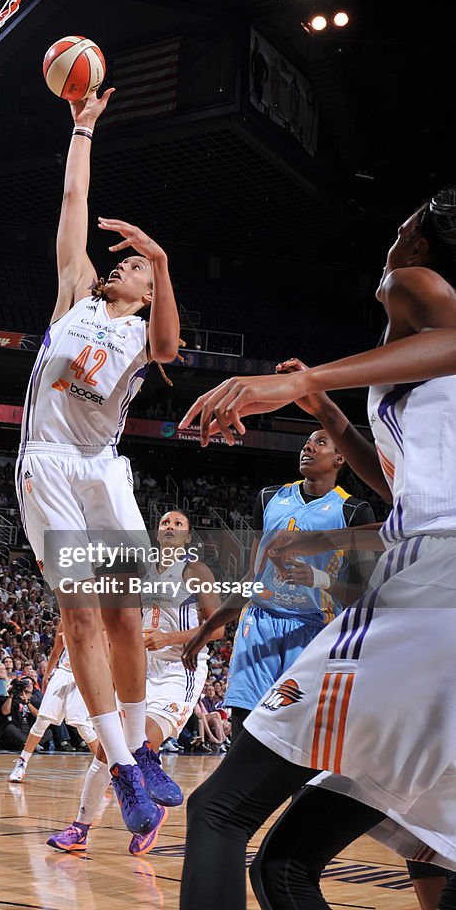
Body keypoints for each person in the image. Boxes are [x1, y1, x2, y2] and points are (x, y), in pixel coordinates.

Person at [178, 187, 456, 908]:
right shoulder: (417, 374)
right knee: (293, 867)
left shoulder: (414, 283)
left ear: (421, 242)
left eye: (400, 228)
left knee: (218, 813)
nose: (391, 242)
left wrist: (304, 377)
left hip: (431, 586)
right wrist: (326, 410)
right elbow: (399, 488)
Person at [14, 88, 181, 840]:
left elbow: (173, 349)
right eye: (123, 265)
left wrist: (161, 258)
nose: (120, 268)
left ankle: (142, 753)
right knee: (79, 613)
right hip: (48, 463)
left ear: (147, 289)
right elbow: (73, 198)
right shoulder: (73, 295)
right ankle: (120, 766)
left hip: (101, 467)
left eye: (134, 271)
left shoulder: (147, 333)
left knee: (126, 615)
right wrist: (82, 124)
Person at [47, 510, 224, 856]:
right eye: (164, 523)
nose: (170, 527)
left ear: (188, 538)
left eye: (178, 524)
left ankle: (148, 811)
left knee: (134, 745)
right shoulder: (140, 571)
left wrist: (170, 637)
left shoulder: (195, 571)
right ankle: (80, 827)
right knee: (107, 747)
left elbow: (217, 630)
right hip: (140, 669)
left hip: (179, 672)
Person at [219, 429, 374, 743]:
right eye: (307, 441)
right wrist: (213, 624)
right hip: (260, 620)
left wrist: (320, 579)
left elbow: (362, 595)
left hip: (317, 628)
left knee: (299, 733)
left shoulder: (354, 512)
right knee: (245, 717)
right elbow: (252, 574)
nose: (308, 446)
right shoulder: (268, 498)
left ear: (340, 457)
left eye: (320, 442)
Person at [8, 621, 99, 783]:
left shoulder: (99, 622)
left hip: (86, 675)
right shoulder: (66, 621)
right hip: (63, 671)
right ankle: (21, 764)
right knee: (42, 720)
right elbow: (57, 650)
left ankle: (107, 768)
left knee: (83, 727)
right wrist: (47, 675)